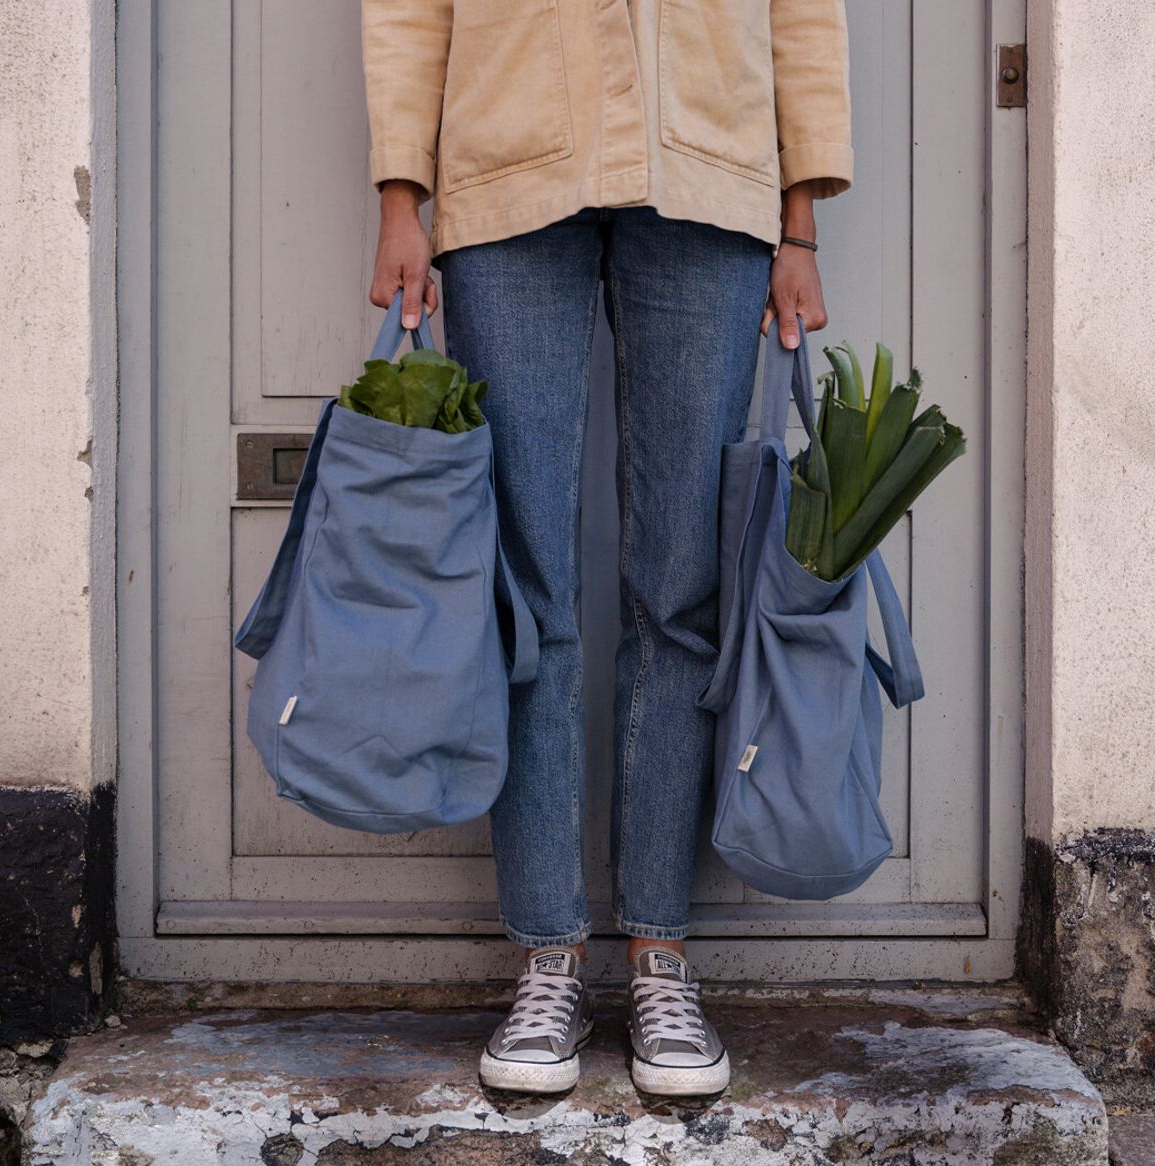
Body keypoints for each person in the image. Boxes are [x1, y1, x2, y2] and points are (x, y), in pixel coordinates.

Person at [361, 0, 852, 1097]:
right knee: (530, 596)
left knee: (681, 595)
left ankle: (659, 949)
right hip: (506, 175)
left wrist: (801, 221)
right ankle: (547, 954)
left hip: (711, 178)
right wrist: (403, 199)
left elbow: (803, 12)